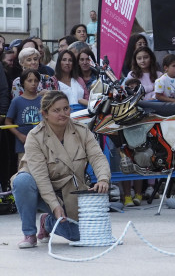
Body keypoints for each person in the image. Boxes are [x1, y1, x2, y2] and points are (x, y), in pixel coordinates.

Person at [11, 91, 110, 248]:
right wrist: (55, 206)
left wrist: (103, 178)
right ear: (45, 114)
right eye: (56, 110)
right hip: (40, 190)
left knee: (76, 235)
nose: (63, 114)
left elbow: (97, 157)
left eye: (66, 109)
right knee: (22, 181)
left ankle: (47, 222)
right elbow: (41, 177)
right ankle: (29, 233)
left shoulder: (82, 130)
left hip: (69, 190)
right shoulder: (34, 137)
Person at [4, 69, 42, 165]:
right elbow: (7, 122)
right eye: (29, 81)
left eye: (36, 80)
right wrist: (19, 135)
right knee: (24, 170)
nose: (33, 84)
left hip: (41, 144)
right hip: (23, 146)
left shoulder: (43, 100)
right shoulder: (16, 101)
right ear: (22, 83)